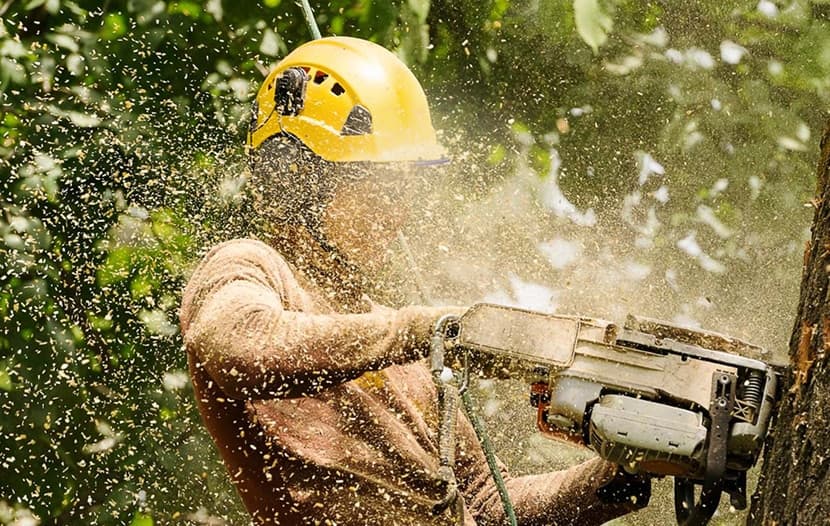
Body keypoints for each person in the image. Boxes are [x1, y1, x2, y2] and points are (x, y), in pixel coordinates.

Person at [180, 36, 647, 525]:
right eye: (382, 190)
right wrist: (416, 332)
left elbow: (491, 503)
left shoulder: (400, 339)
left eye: (405, 191)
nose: (397, 215)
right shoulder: (250, 268)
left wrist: (621, 470)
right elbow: (237, 348)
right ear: (301, 179)